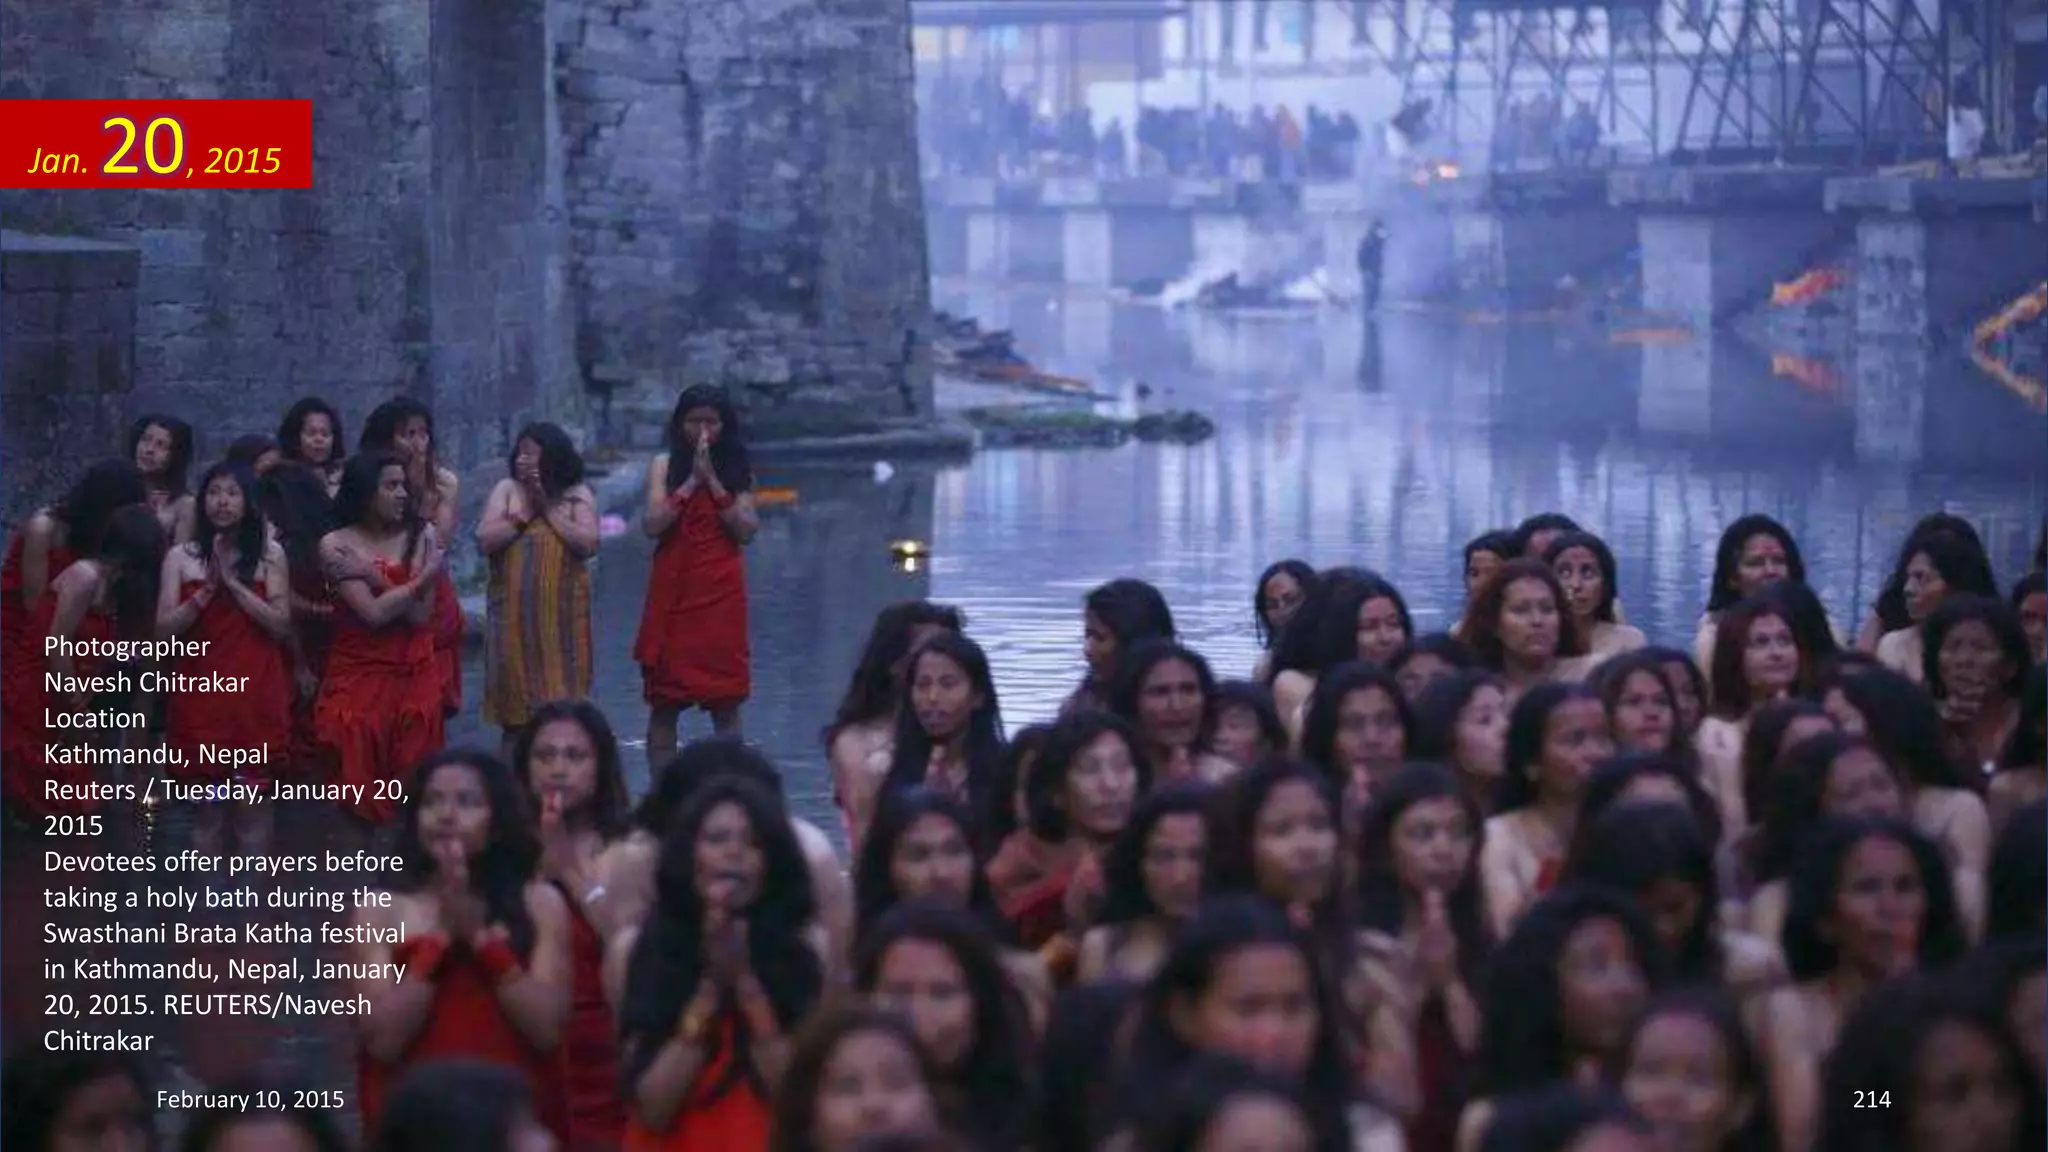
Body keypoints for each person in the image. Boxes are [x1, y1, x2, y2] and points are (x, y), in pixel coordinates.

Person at [636, 385, 758, 761]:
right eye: (694, 421)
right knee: (665, 701)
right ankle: (661, 787)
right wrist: (690, 482)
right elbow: (653, 525)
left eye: (711, 422)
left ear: (725, 425)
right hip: (675, 588)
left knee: (725, 700)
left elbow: (746, 530)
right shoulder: (663, 464)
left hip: (719, 590)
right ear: (680, 424)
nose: (703, 430)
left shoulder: (738, 467)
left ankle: (729, 783)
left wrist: (714, 483)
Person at [477, 423, 599, 751]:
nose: (522, 459)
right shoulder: (506, 490)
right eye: (520, 452)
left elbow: (587, 543)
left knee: (562, 717)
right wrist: (525, 512)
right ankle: (511, 794)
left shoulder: (577, 494)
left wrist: (546, 508)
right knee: (515, 722)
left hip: (561, 626)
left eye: (531, 452)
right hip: (512, 622)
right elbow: (486, 541)